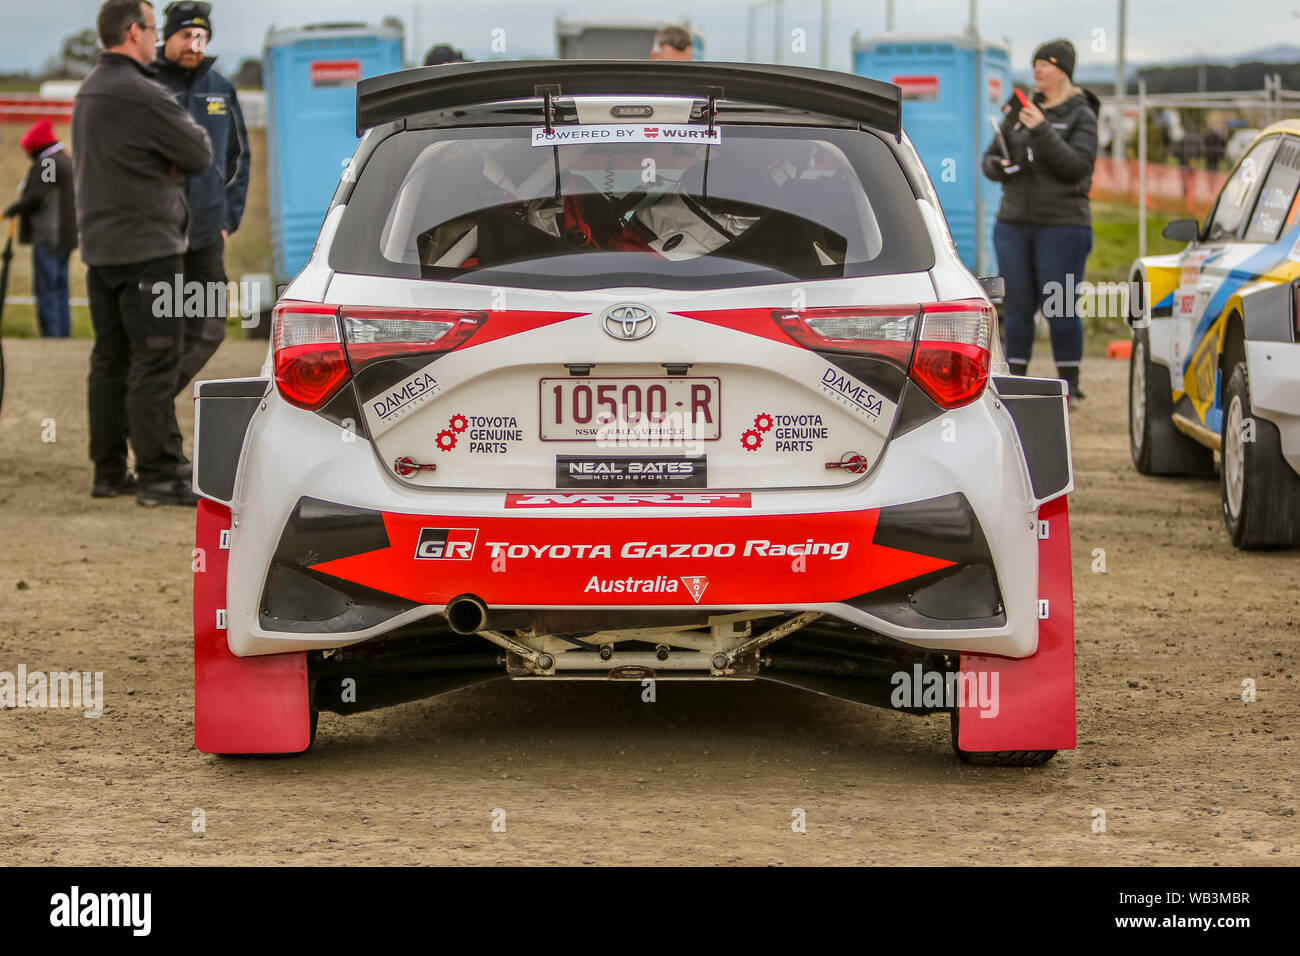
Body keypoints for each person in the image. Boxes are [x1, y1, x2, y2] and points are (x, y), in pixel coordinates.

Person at [72, 0, 212, 506]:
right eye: (152, 29)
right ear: (133, 33)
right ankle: (160, 471)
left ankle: (108, 470)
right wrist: (166, 165)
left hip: (101, 251)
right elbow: (198, 152)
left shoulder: (88, 90)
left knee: (109, 359)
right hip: (149, 250)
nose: (156, 39)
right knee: (157, 357)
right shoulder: (141, 93)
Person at [981, 38, 1099, 407]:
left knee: (1059, 304)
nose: (1037, 70)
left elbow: (1076, 168)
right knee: (1017, 305)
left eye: (1044, 64)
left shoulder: (1082, 114)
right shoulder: (1021, 109)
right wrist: (1001, 166)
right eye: (1034, 64)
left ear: (1062, 69)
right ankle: (1015, 382)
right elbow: (988, 158)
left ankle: (1070, 384)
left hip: (1063, 225)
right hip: (1013, 222)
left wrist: (1043, 130)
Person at [153, 1, 250, 395]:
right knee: (162, 331)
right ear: (166, 37)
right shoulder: (147, 82)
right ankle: (150, 407)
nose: (194, 44)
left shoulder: (221, 88)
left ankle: (150, 399)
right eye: (185, 35)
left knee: (209, 327)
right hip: (158, 234)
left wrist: (227, 218)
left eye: (201, 36)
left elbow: (238, 158)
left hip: (208, 233)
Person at [3, 119, 77, 337]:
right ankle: (63, 334)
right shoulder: (64, 160)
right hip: (65, 237)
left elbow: (39, 195)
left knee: (47, 289)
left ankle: (52, 336)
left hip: (49, 237)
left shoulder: (49, 164)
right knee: (60, 288)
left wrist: (13, 209)